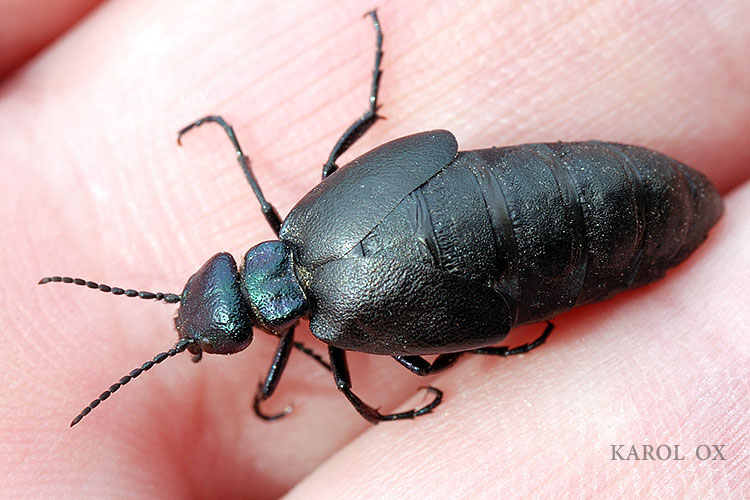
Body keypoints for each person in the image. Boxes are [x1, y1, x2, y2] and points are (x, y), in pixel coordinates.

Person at [2, 1, 747, 498]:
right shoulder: (304, 226)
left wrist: (430, 381)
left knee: (418, 365)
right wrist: (238, 143)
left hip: (574, 239)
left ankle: (497, 350)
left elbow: (416, 364)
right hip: (546, 184)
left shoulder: (333, 324)